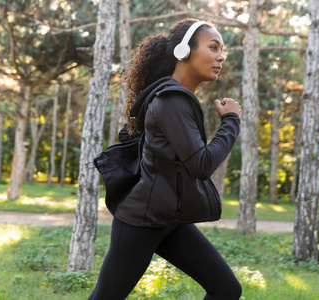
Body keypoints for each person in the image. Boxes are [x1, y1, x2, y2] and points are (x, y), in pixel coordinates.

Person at [89, 18, 242, 300]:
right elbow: (202, 164)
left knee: (226, 289)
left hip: (171, 217)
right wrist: (231, 121)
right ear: (184, 52)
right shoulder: (172, 100)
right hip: (141, 222)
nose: (221, 56)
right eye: (213, 47)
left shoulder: (175, 97)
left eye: (223, 50)